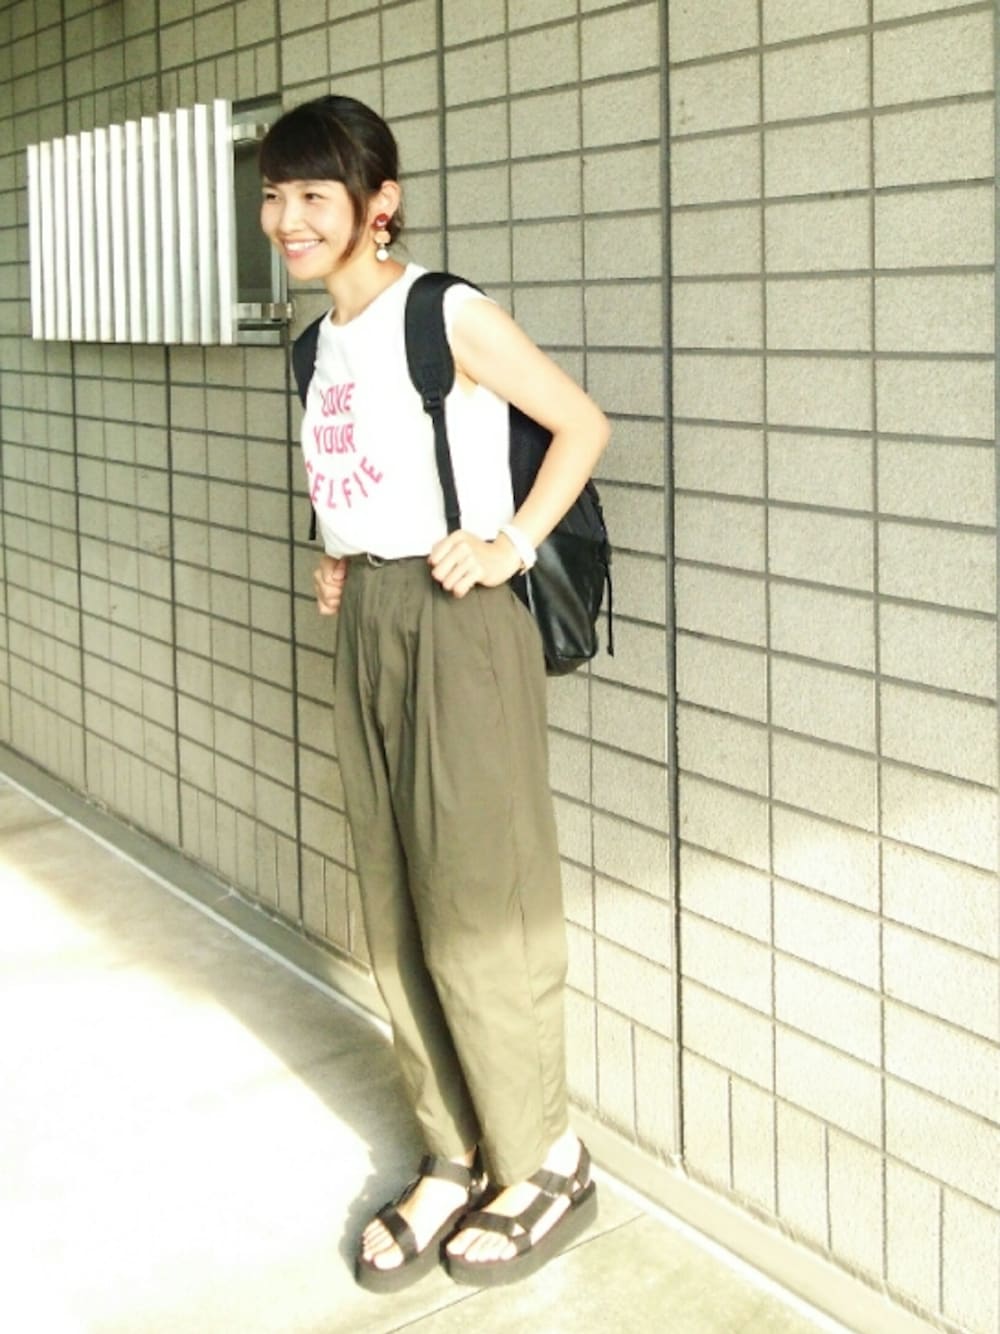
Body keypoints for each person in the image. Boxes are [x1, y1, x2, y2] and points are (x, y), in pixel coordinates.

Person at [259, 95, 610, 1292]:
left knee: (480, 895)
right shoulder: (315, 343)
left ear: (379, 203)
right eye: (274, 195)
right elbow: (364, 471)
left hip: (460, 625)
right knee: (396, 895)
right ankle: (456, 1152)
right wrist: (339, 551)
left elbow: (579, 424)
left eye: (313, 194)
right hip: (370, 616)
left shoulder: (441, 311)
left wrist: (509, 540)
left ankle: (545, 1154)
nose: (288, 217)